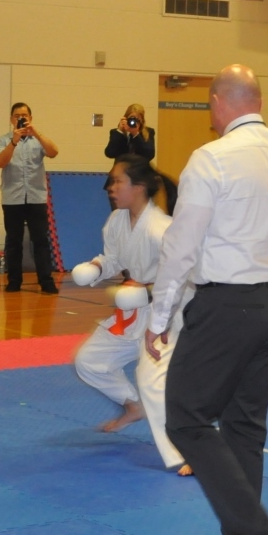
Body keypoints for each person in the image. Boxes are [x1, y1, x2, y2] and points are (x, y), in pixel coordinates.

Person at [145, 64, 268, 535]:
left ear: (218, 102)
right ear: (258, 101)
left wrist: (158, 318)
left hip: (230, 303)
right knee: (244, 422)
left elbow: (180, 247)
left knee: (185, 418)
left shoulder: (212, 159)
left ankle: (256, 533)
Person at [72, 157, 192, 476]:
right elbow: (114, 258)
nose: (110, 188)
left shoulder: (161, 229)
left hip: (166, 315)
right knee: (90, 360)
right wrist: (97, 267)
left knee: (151, 381)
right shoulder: (117, 221)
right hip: (134, 309)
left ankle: (188, 451)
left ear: (138, 187)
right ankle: (132, 406)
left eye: (117, 181)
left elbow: (185, 276)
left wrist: (148, 292)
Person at [0, 102, 59, 294]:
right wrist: (14, 142)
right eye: (17, 116)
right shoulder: (3, 140)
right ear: (11, 119)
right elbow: (0, 162)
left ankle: (46, 281)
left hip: (36, 197)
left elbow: (54, 152)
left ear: (30, 118)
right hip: (12, 198)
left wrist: (36, 133)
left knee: (41, 241)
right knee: (13, 242)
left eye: (24, 115)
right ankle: (14, 281)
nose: (21, 118)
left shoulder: (38, 140)